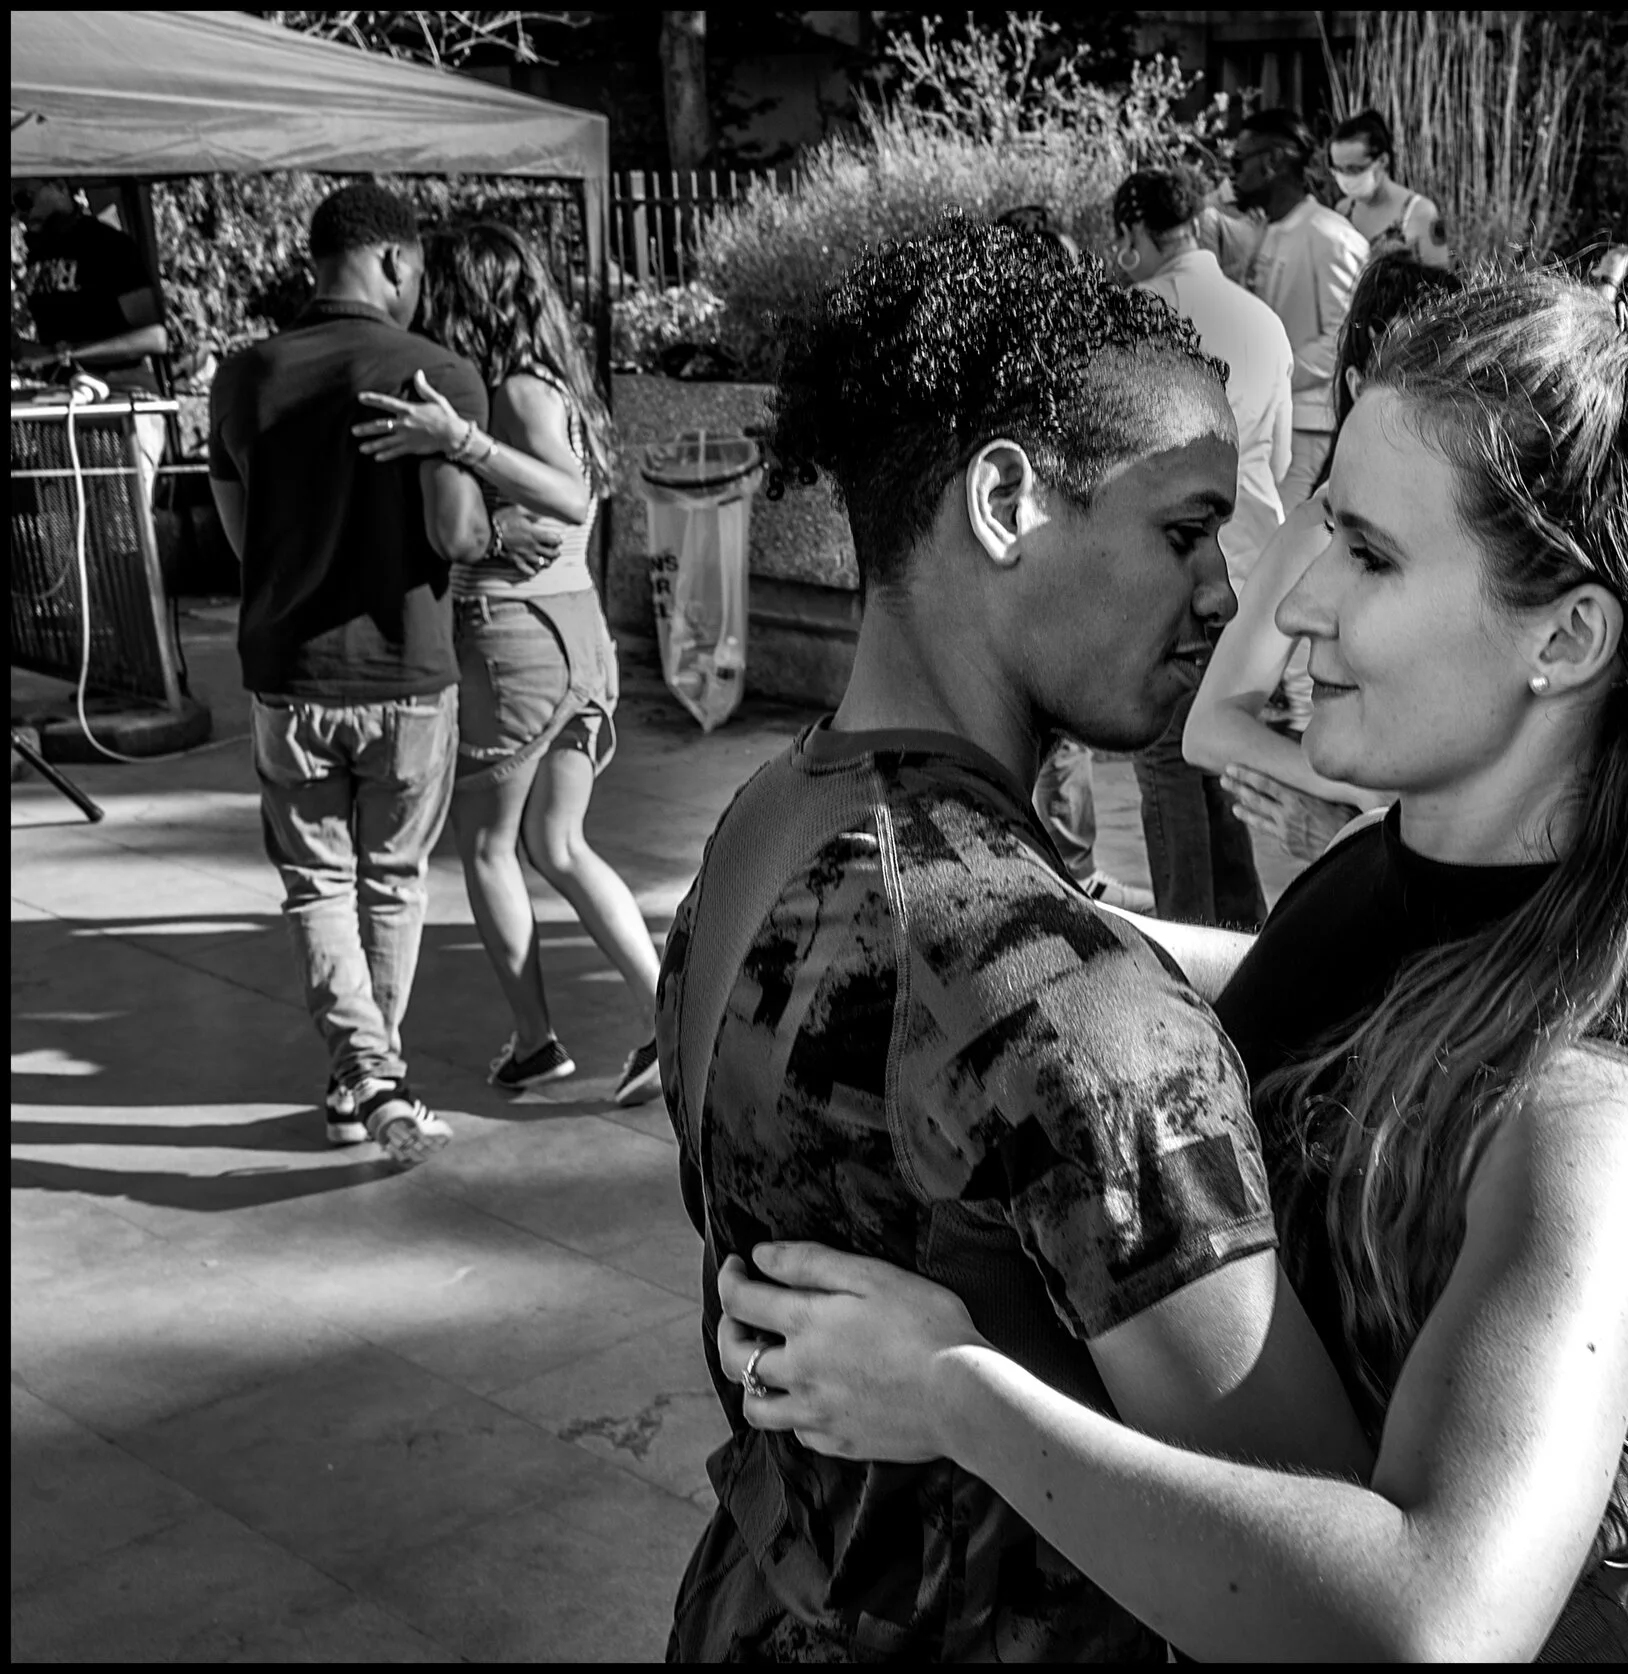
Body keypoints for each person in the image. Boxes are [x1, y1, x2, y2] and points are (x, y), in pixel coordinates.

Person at [711, 272, 1628, 1659]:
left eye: (1371, 557)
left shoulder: (1601, 1105)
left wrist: (957, 1395)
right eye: (1325, 532)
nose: (1293, 604)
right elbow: (1314, 1012)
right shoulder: (1388, 872)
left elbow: (1433, 1617)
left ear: (1563, 638)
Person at [654, 217, 1375, 1662]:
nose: (1229, 590)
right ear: (1004, 500)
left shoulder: (765, 822)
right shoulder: (1069, 1008)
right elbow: (1333, 1582)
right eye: (1184, 529)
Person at [347, 222, 661, 1105]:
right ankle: (664, 1018)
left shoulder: (511, 393)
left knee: (490, 847)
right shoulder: (551, 382)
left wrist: (458, 445)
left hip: (515, 640)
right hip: (570, 632)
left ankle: (536, 1040)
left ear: (464, 296)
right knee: (557, 844)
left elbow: (568, 495)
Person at [206, 183, 489, 1164]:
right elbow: (456, 531)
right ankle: (375, 1074)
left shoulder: (242, 379)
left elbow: (245, 542)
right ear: (398, 264)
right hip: (410, 672)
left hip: (289, 676)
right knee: (393, 882)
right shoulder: (439, 373)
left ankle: (363, 1076)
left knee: (318, 886)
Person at [1182, 252, 1462, 862]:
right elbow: (1208, 729)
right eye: (1422, 381)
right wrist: (1355, 790)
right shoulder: (1318, 529)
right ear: (1360, 386)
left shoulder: (1464, 530)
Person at [1110, 169, 1299, 929]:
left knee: (1164, 760)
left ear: (1132, 233)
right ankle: (1245, 933)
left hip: (1172, 566)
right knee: (1217, 754)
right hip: (1253, 560)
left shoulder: (1138, 314)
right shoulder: (1263, 319)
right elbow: (1280, 459)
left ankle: (1187, 948)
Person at [992, 204, 1158, 914]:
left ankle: (1062, 878)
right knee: (1044, 732)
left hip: (1047, 569)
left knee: (1052, 735)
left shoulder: (1062, 358)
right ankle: (1054, 878)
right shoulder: (1025, 362)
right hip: (1031, 569)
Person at [1232, 109, 1369, 509]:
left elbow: (1340, 342)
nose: (1232, 174)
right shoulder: (1266, 230)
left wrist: (1268, 374)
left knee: (1277, 548)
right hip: (1261, 420)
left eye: (1239, 161)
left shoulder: (1331, 238)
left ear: (1272, 162)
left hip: (1304, 429)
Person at [13, 177, 172, 503]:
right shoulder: (36, 255)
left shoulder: (108, 245)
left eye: (24, 199)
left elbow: (154, 337)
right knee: (73, 538)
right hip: (64, 409)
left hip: (122, 404)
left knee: (125, 536)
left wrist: (67, 354)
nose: (20, 214)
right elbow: (39, 348)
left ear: (57, 185)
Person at [1326, 109, 1452, 269]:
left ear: (1382, 160)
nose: (1345, 178)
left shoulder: (1420, 212)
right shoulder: (1343, 211)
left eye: (1354, 169)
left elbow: (1440, 280)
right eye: (1338, 169)